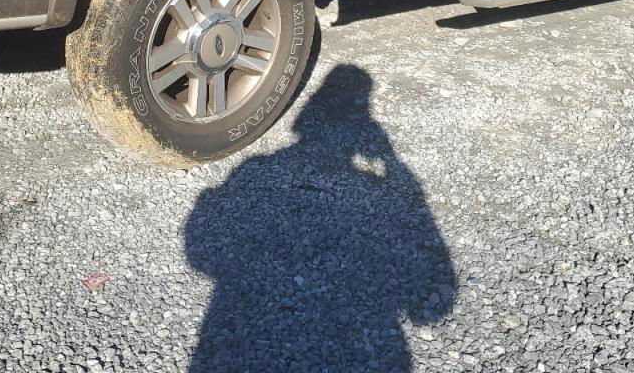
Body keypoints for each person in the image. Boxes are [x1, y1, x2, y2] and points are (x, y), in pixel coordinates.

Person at [185, 65, 455, 372]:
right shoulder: (368, 184)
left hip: (232, 330)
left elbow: (200, 252)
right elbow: (430, 310)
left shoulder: (253, 169)